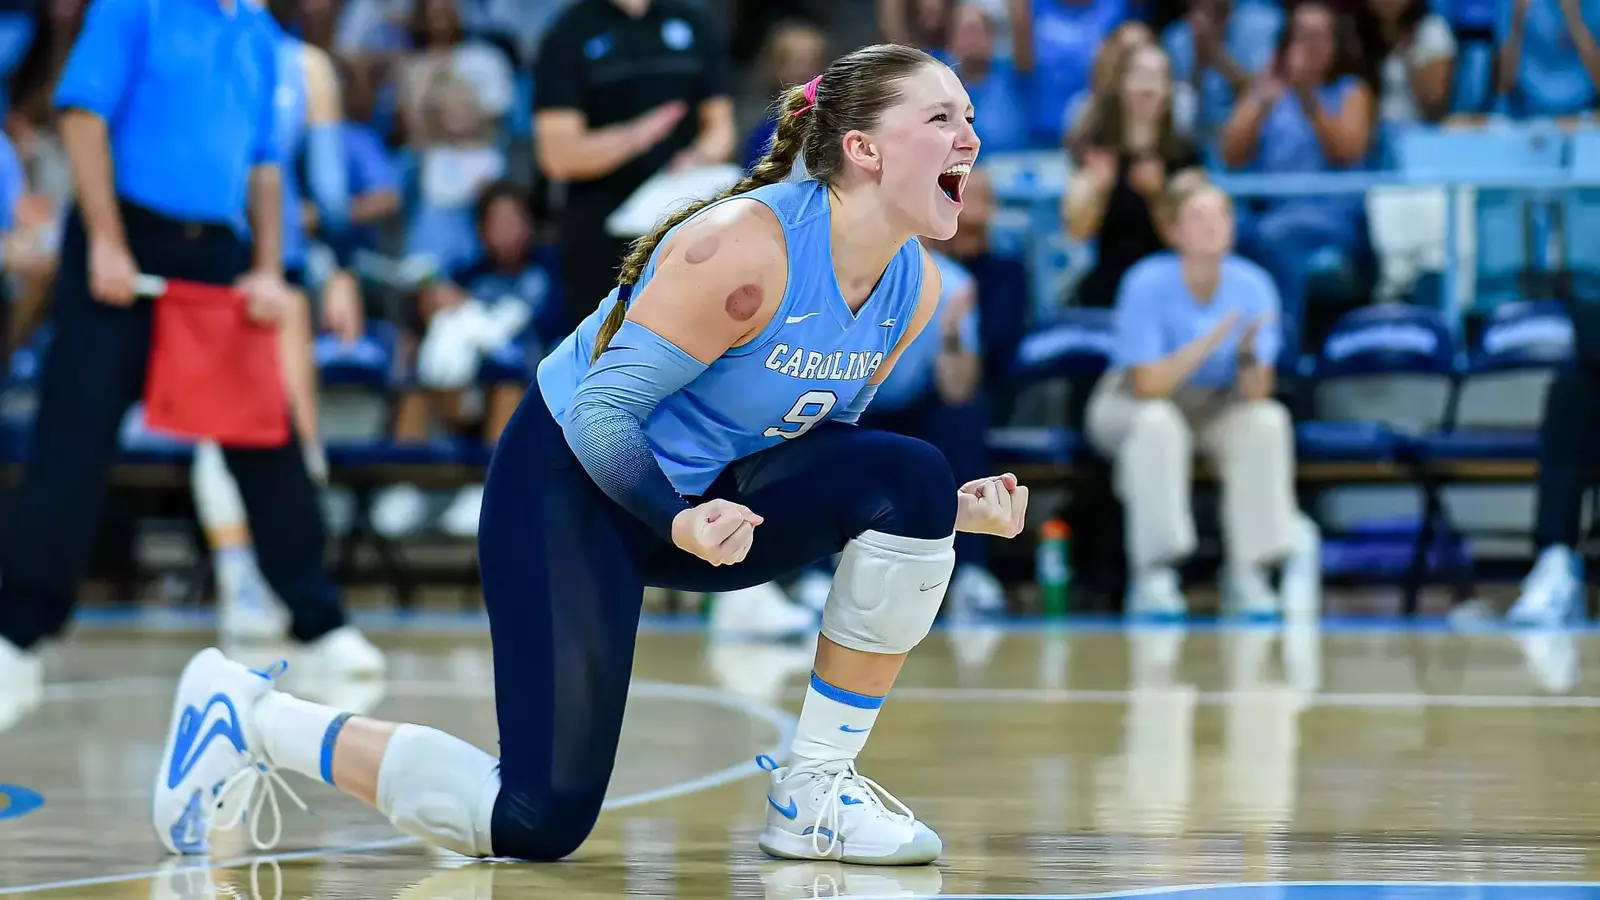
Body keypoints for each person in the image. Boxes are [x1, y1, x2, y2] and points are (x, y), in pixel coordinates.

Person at [150, 43, 1030, 865]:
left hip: (703, 500)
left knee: (913, 474)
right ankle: (252, 719)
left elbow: (824, 443)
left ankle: (813, 796)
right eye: (942, 118)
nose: (971, 137)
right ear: (863, 149)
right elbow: (602, 415)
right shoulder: (743, 248)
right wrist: (677, 521)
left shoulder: (912, 286)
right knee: (538, 821)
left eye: (969, 117)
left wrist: (942, 512)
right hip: (572, 482)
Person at [0, 0, 367, 691]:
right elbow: (82, 118)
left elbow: (265, 165)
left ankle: (320, 618)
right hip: (122, 239)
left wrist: (267, 267)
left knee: (266, 435)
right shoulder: (135, 7)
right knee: (71, 440)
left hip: (216, 253)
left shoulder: (259, 36)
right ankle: (17, 632)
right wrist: (106, 242)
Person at [188, 5, 379, 668]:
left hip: (282, 264)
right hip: (204, 258)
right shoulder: (191, 45)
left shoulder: (306, 67)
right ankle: (239, 577)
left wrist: (343, 271)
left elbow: (326, 179)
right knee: (216, 420)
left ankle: (291, 580)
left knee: (293, 422)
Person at [1085, 172, 1298, 618]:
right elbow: (1147, 386)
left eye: (1221, 214)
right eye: (1198, 216)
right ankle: (1156, 571)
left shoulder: (1255, 285)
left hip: (1216, 403)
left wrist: (1246, 355)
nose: (1212, 224)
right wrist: (1209, 342)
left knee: (1268, 421)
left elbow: (1256, 393)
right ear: (1173, 231)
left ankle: (1250, 572)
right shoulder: (1145, 281)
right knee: (1157, 424)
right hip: (1131, 402)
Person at [534, 0, 737, 330]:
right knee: (606, 347)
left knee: (692, 343)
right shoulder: (569, 32)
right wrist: (637, 135)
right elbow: (557, 155)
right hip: (602, 236)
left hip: (684, 227)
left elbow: (721, 129)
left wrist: (698, 157)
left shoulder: (694, 23)